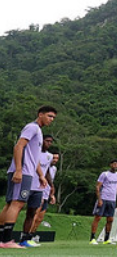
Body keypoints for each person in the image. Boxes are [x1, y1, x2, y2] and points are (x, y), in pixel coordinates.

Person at [1, 106, 57, 249]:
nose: (51, 119)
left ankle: (3, 239)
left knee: (11, 204)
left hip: (29, 172)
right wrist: (19, 170)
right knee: (17, 203)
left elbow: (34, 157)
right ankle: (6, 240)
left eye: (53, 117)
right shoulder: (32, 127)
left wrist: (41, 176)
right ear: (40, 114)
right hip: (23, 171)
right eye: (49, 116)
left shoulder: (38, 131)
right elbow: (18, 147)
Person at [17, 136, 55, 248]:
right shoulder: (33, 152)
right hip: (27, 184)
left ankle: (25, 239)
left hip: (39, 188)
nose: (49, 143)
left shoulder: (49, 156)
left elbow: (46, 172)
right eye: (47, 141)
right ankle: (5, 236)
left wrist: (51, 185)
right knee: (16, 208)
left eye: (51, 142)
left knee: (32, 213)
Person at [27, 148, 58, 244]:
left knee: (40, 218)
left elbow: (50, 182)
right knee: (34, 215)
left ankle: (32, 235)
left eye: (57, 158)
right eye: (54, 158)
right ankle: (26, 236)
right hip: (39, 191)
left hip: (46, 194)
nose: (55, 160)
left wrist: (52, 195)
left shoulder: (54, 169)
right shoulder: (42, 165)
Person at [90, 160, 117, 245]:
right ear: (110, 165)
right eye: (114, 164)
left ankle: (106, 239)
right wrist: (99, 199)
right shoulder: (104, 174)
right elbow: (98, 186)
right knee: (98, 217)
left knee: (110, 219)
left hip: (112, 200)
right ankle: (92, 238)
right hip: (103, 198)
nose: (116, 166)